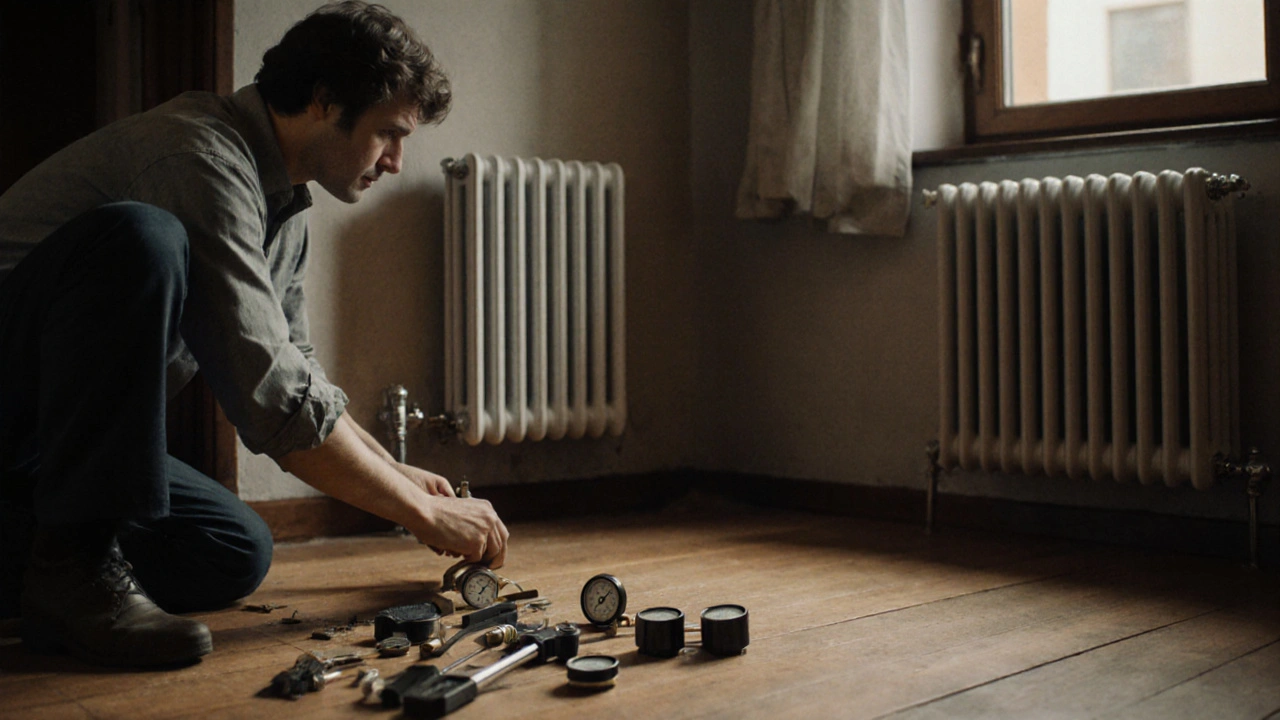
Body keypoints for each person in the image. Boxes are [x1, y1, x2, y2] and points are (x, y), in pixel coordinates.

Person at [0, 1, 508, 668]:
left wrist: (397, 472)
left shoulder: (285, 203)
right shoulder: (197, 156)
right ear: (324, 101)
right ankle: (74, 573)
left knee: (232, 549)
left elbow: (299, 372)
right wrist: (421, 514)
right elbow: (272, 401)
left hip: (50, 447)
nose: (395, 162)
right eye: (389, 133)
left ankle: (50, 569)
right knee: (140, 238)